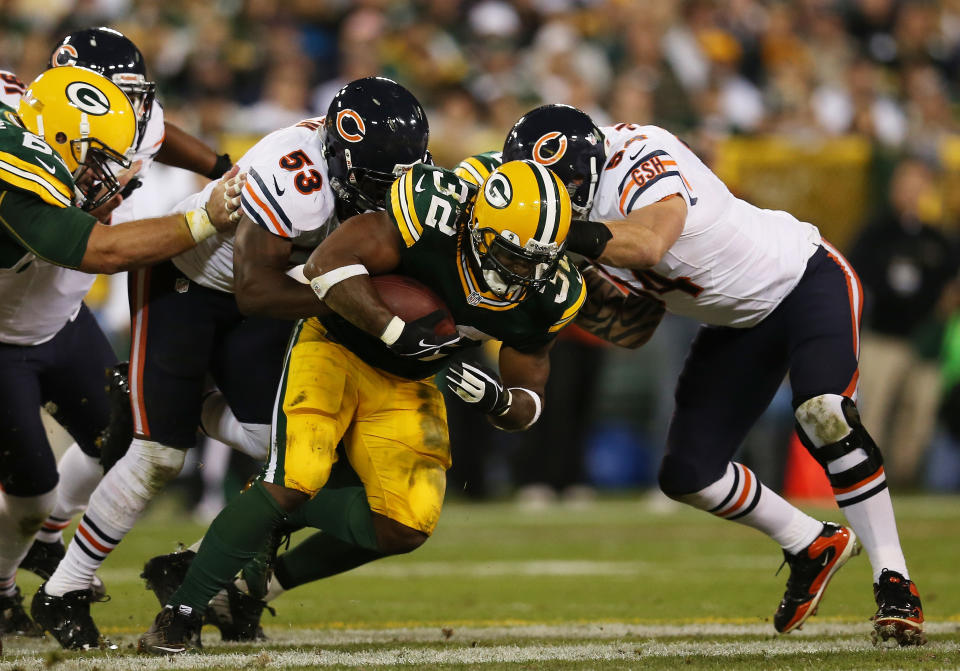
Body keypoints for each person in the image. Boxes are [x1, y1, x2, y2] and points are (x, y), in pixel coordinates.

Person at [30, 76, 432, 651]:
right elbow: (254, 290)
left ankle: (186, 505)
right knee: (157, 456)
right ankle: (63, 590)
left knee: (287, 452)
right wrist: (359, 307)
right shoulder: (295, 175)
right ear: (339, 154)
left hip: (268, 297)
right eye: (369, 176)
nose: (383, 191)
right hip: (186, 281)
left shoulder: (395, 176)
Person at [502, 104, 925, 646]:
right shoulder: (556, 200)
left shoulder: (639, 157)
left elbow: (651, 241)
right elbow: (633, 330)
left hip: (803, 279)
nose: (554, 207)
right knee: (687, 474)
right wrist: (561, 294)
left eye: (563, 196)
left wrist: (555, 236)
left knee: (823, 412)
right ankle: (809, 543)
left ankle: (894, 579)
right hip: (737, 323)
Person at [136, 157, 587, 654]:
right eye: (513, 254)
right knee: (296, 476)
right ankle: (180, 611)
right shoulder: (432, 209)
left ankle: (254, 563)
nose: (525, 270)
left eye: (538, 259)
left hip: (410, 378)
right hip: (338, 342)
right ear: (478, 227)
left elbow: (531, 399)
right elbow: (325, 264)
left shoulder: (551, 292)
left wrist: (499, 401)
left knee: (407, 524)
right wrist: (394, 330)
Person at [0, 64, 242, 639]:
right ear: (55, 143)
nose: (119, 173)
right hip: (2, 343)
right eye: (97, 160)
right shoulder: (15, 180)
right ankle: (3, 590)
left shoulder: (61, 120)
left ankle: (50, 543)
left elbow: (157, 134)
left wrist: (218, 168)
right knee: (31, 493)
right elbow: (104, 251)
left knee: (126, 434)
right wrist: (202, 217)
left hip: (60, 325)